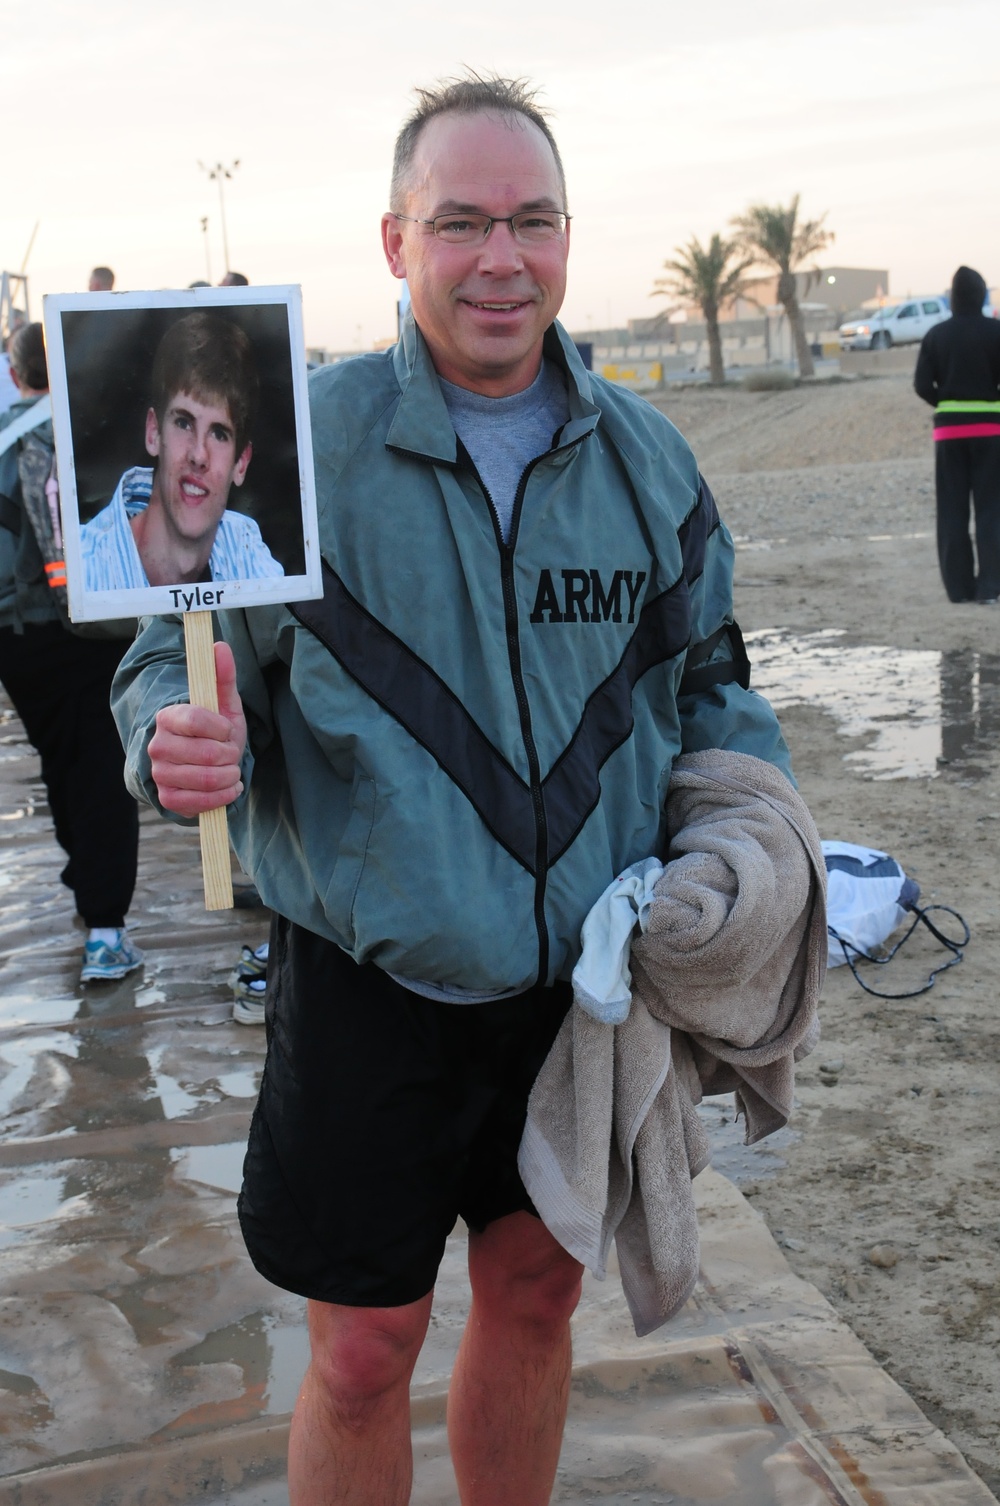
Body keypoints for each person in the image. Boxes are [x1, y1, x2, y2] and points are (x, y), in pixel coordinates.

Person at [111, 75, 793, 1505]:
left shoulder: (648, 462)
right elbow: (168, 661)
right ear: (394, 240)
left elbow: (711, 684)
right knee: (363, 1349)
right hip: (372, 983)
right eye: (462, 221)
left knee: (537, 1302)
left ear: (565, 234)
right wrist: (172, 736)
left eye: (532, 221)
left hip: (582, 989)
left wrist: (761, 835)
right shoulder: (296, 442)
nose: (502, 257)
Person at [0, 324, 142, 983]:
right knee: (105, 777)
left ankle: (85, 877)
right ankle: (106, 933)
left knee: (59, 761)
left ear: (17, 369)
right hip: (91, 630)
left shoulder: (5, 432)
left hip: (16, 639)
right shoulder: (85, 428)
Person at [80, 312, 283, 591]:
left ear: (242, 463)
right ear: (153, 433)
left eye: (219, 433)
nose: (199, 455)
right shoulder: (83, 569)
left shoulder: (247, 551)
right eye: (184, 423)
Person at [915, 265, 1000, 603]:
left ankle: (958, 590)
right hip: (991, 429)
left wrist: (948, 403)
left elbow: (922, 385)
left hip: (949, 431)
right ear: (981, 296)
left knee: (952, 510)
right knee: (991, 508)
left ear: (952, 298)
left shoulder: (936, 335)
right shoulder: (996, 331)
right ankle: (991, 586)